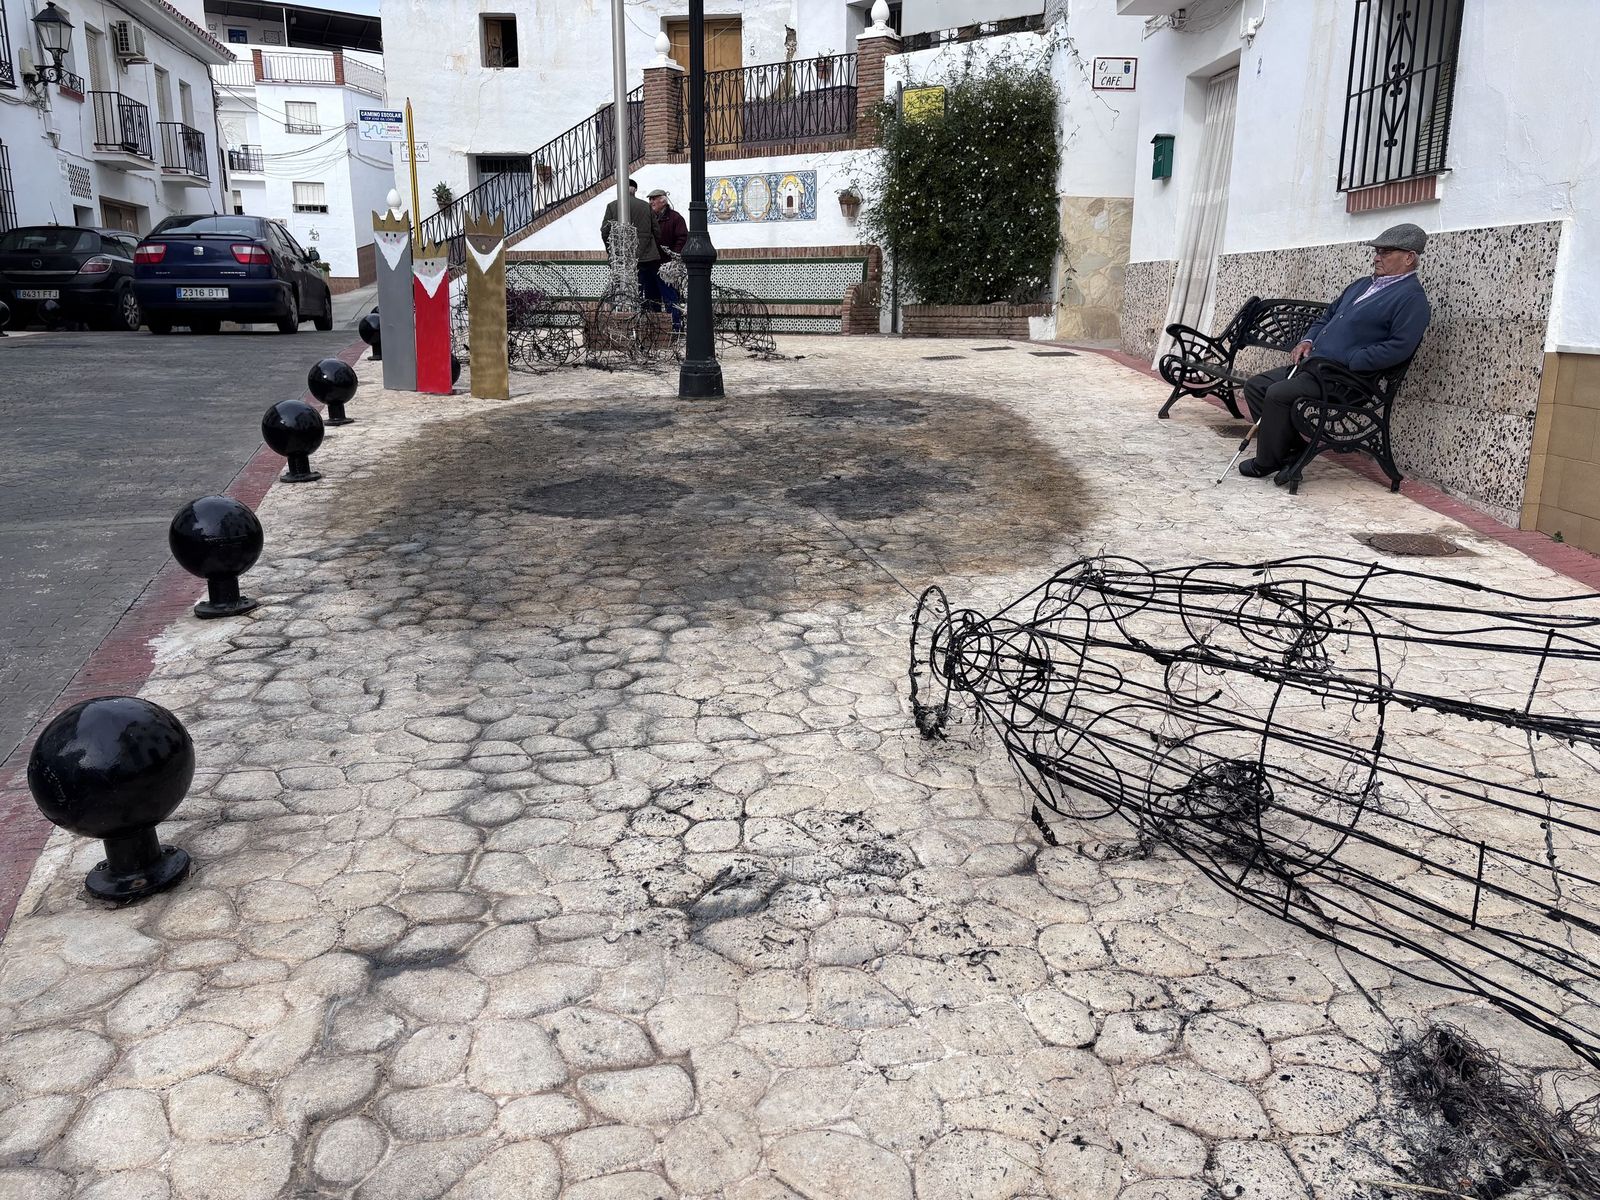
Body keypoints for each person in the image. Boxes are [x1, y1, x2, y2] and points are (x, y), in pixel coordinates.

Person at [1238, 222, 1432, 480]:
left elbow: (1399, 347)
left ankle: (1266, 461)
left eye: (1385, 252)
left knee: (1277, 393)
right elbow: (1326, 317)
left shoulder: (1412, 299)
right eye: (1377, 251)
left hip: (1347, 380)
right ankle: (1293, 450)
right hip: (1315, 368)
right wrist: (1307, 340)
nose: (1376, 257)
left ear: (1409, 257)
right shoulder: (1362, 285)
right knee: (1257, 385)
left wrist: (1352, 360)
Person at [600, 178, 663, 308]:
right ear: (635, 190)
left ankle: (628, 316)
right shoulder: (645, 206)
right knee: (650, 291)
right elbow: (657, 231)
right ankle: (652, 320)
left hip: (622, 258)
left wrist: (612, 251)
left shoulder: (612, 206)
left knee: (626, 291)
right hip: (647, 258)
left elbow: (605, 232)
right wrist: (651, 247)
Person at [648, 188, 688, 331]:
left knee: (671, 299)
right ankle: (656, 330)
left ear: (663, 201)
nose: (651, 201)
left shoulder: (675, 218)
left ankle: (676, 328)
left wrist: (673, 256)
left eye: (654, 199)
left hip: (667, 267)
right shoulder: (649, 218)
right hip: (651, 264)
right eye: (650, 199)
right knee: (652, 299)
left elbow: (682, 238)